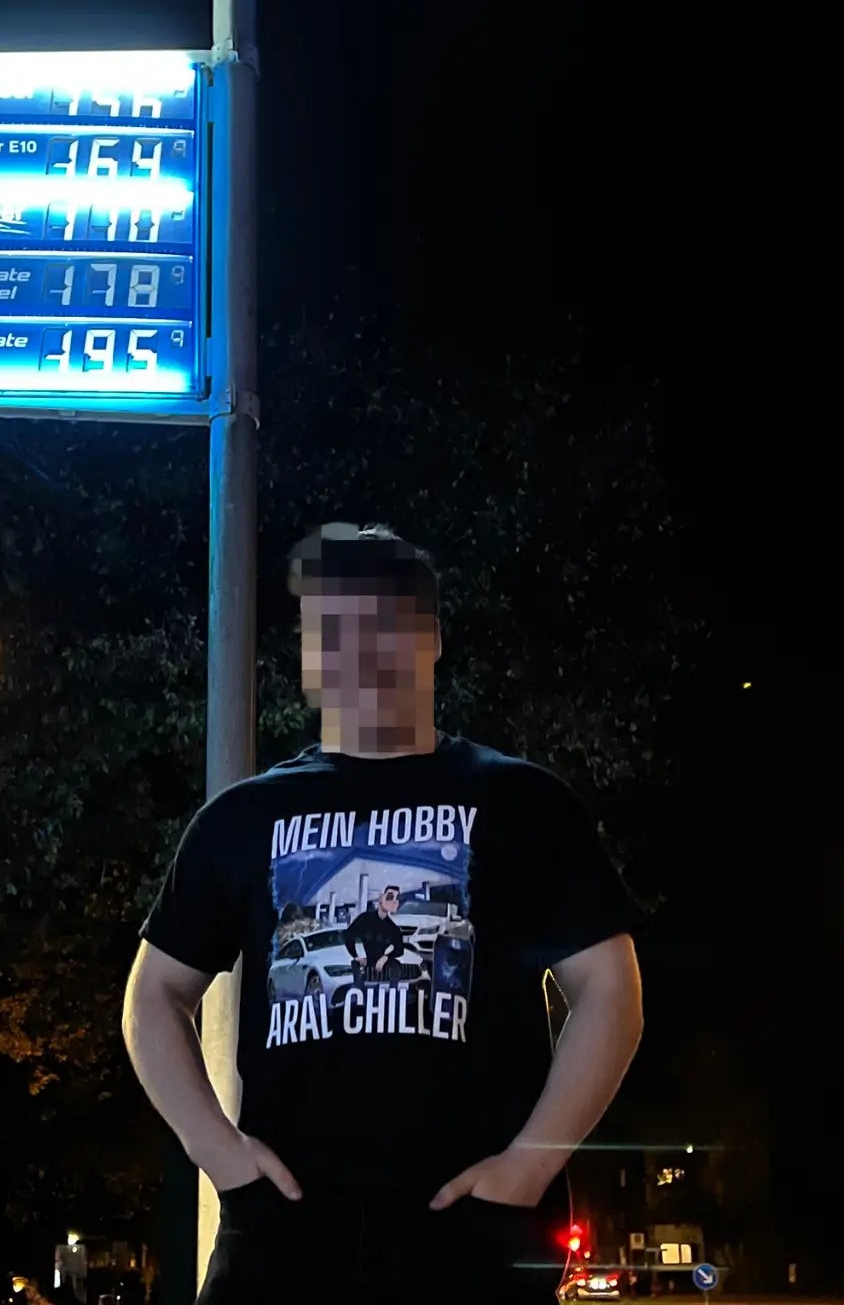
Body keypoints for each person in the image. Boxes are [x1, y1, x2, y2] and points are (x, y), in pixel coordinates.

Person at [123, 523, 644, 1305]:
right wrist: (220, 1156)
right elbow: (154, 995)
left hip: (473, 1230)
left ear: (430, 637)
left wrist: (529, 1167)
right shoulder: (241, 819)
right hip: (283, 1228)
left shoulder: (523, 803)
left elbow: (610, 991)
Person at [346, 884, 407, 983]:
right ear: (381, 898)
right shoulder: (365, 919)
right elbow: (348, 935)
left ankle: (392, 991)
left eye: (397, 898)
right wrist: (356, 956)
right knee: (356, 966)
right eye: (390, 897)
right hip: (365, 963)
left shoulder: (393, 928)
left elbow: (399, 949)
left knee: (396, 966)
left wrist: (385, 957)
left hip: (383, 966)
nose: (394, 901)